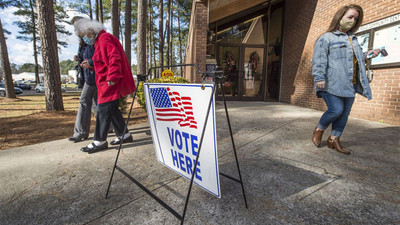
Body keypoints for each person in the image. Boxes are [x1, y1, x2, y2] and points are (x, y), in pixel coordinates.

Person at [311, 4, 380, 155]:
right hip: (331, 83)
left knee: (344, 114)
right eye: (350, 17)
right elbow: (319, 59)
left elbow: (356, 59)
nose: (353, 21)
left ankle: (334, 139)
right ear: (340, 17)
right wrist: (319, 77)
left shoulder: (353, 39)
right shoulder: (326, 37)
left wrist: (368, 54)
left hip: (350, 84)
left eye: (355, 18)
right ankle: (319, 129)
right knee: (336, 110)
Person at [73, 18, 135, 154]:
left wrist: (112, 76)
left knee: (103, 110)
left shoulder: (104, 38)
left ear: (90, 31)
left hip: (109, 82)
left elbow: (114, 58)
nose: (84, 38)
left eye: (84, 35)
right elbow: (103, 61)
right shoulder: (100, 40)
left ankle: (99, 141)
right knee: (112, 110)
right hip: (106, 82)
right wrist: (91, 64)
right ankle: (124, 135)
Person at [68, 34, 98, 142]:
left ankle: (81, 132)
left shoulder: (93, 41)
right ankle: (108, 126)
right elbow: (83, 58)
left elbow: (100, 59)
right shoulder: (82, 44)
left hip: (93, 76)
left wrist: (90, 63)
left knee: (84, 100)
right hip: (88, 76)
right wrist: (78, 58)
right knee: (96, 103)